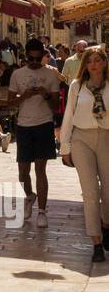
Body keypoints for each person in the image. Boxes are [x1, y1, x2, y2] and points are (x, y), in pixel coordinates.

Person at [60, 45, 109, 263]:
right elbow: (68, 116)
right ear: (84, 65)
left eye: (98, 60)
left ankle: (106, 223)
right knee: (90, 192)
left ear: (105, 63)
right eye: (89, 61)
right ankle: (96, 243)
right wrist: (65, 147)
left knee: (108, 190)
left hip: (107, 137)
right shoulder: (76, 86)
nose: (94, 65)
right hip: (81, 139)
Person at [7, 37, 61, 227]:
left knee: (40, 169)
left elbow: (56, 106)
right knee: (23, 171)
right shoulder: (17, 75)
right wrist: (25, 95)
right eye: (32, 59)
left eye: (39, 59)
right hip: (23, 126)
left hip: (44, 124)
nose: (35, 63)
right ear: (26, 57)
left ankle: (42, 211)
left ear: (44, 57)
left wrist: (45, 94)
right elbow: (10, 101)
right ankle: (29, 196)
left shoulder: (52, 75)